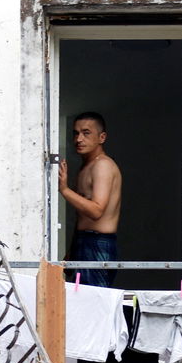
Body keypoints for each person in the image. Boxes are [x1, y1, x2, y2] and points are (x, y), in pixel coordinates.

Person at [58, 111, 123, 288]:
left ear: (102, 137)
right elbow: (83, 217)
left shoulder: (103, 165)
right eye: (76, 133)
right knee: (80, 301)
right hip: (83, 241)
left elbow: (96, 210)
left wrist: (64, 190)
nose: (79, 139)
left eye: (86, 133)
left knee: (95, 303)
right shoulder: (86, 166)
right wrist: (72, 249)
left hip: (98, 242)